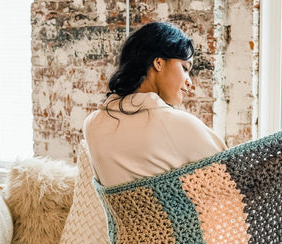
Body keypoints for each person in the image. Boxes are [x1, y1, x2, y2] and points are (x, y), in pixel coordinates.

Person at [83, 21, 226, 188]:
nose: (189, 82)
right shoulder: (177, 124)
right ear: (158, 63)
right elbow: (233, 175)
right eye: (185, 68)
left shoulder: (92, 124)